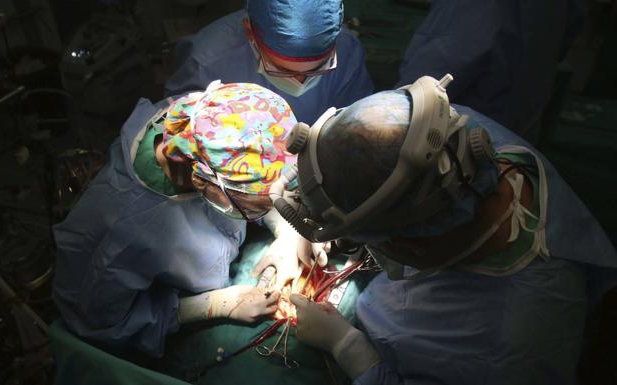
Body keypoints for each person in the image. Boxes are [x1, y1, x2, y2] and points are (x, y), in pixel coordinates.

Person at [275, 75, 617, 384]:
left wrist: (347, 347)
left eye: (375, 241)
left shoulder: (511, 349)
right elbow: (363, 147)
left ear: (413, 247)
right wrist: (310, 220)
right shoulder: (446, 137)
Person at [53, 82, 322, 357]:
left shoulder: (210, 119)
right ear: (201, 181)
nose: (267, 208)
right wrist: (209, 306)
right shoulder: (124, 230)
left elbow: (258, 170)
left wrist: (289, 230)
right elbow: (98, 322)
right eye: (257, 206)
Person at [165, 0, 374, 125]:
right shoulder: (207, 63)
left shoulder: (346, 49)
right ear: (250, 32)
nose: (301, 83)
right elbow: (177, 130)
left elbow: (355, 123)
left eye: (318, 69)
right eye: (282, 70)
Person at [396, 0, 585, 138]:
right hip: (518, 134)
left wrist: (390, 121)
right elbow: (565, 36)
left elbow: (422, 86)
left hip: (461, 142)